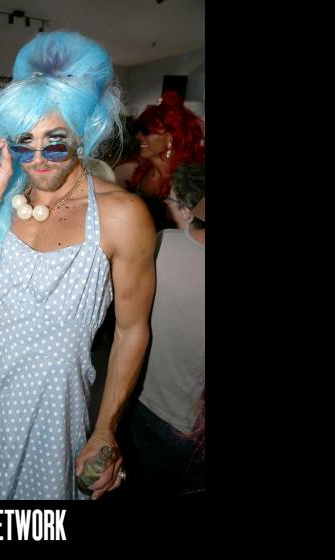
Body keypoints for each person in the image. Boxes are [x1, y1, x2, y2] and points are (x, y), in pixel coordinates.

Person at [0, 31, 157, 500]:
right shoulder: (3, 198)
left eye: (55, 143)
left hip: (48, 405)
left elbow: (131, 330)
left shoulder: (122, 216)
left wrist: (106, 427)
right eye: (24, 143)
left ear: (81, 133)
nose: (38, 159)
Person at [122, 162, 205, 500]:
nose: (166, 206)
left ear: (187, 211)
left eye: (171, 200)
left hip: (154, 408)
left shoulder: (161, 245)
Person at [126, 91, 204, 230]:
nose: (138, 136)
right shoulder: (140, 171)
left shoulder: (189, 181)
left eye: (146, 131)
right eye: (139, 130)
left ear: (169, 138)